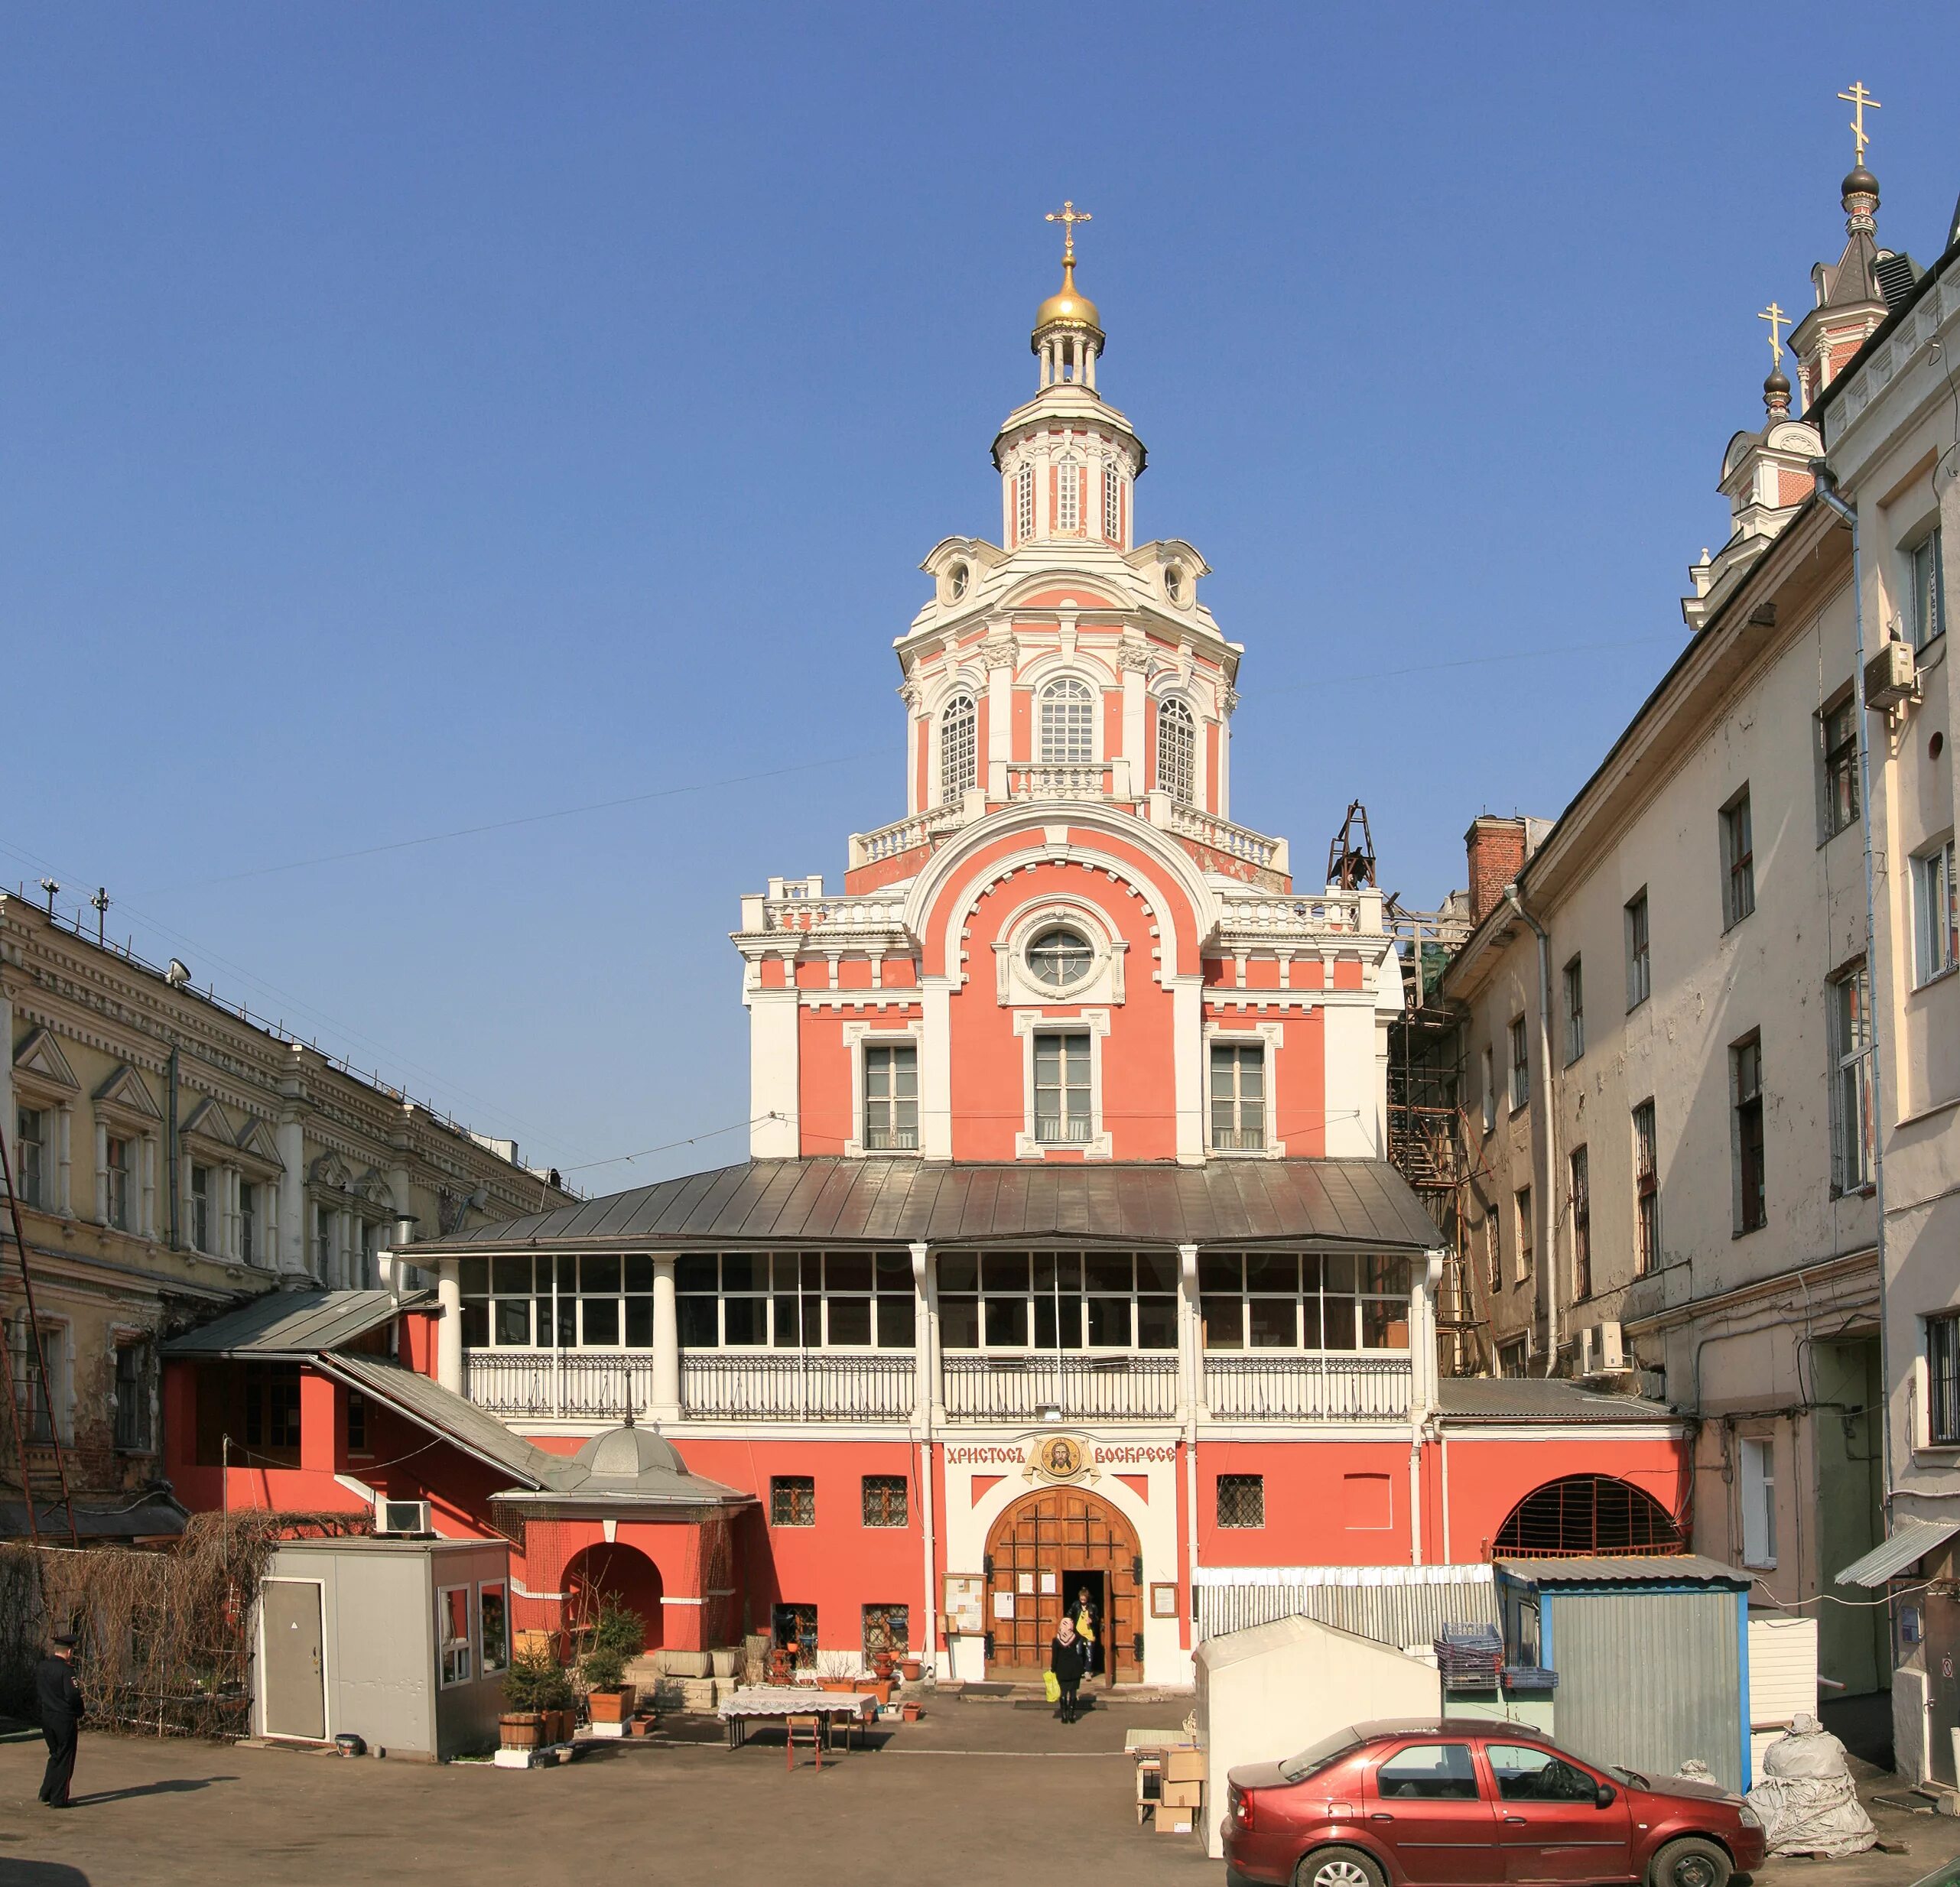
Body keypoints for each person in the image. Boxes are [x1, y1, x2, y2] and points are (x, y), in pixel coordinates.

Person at [37, 1628, 84, 1810]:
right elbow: (72, 1695)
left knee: (55, 1755)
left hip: (47, 1716)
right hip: (64, 1718)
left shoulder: (43, 1667)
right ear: (69, 1651)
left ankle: (46, 1792)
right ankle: (59, 1798)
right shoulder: (67, 1670)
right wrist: (79, 1711)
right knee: (66, 1758)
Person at [1049, 1616, 1090, 1724]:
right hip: (1075, 1668)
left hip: (1062, 1669)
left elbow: (1055, 1657)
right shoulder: (1076, 1637)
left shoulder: (1056, 1640)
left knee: (1063, 1692)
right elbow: (1082, 1646)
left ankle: (1064, 1716)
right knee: (1073, 1693)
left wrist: (1053, 1668)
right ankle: (1071, 1716)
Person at [1073, 1584, 1104, 1681]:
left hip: (1089, 1632)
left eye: (1084, 1597)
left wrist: (1092, 1620)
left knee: (1089, 1653)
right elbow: (1070, 1615)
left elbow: (1097, 1618)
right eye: (1081, 1597)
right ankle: (1079, 1670)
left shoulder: (1093, 1607)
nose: (1083, 1599)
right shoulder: (1076, 1605)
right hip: (1078, 1633)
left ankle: (1088, 1671)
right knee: (1078, 1652)